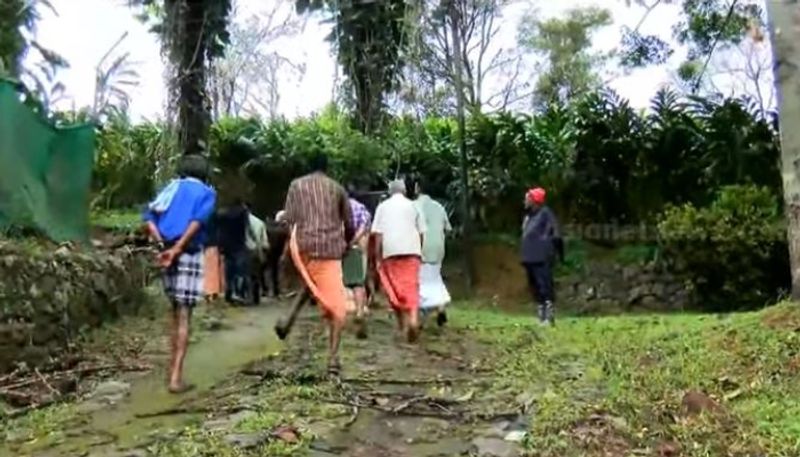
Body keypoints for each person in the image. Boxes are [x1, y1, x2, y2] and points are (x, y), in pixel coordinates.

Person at [142, 154, 216, 393]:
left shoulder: (171, 188)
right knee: (185, 316)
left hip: (166, 252)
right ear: (204, 172)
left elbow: (148, 217)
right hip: (187, 254)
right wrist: (177, 249)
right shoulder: (206, 193)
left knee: (174, 313)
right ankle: (175, 378)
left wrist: (162, 243)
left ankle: (172, 371)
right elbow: (196, 223)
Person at [281, 153, 354, 375]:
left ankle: (288, 320)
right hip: (329, 249)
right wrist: (347, 243)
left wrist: (293, 246)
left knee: (311, 283)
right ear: (326, 167)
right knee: (337, 307)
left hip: (303, 249)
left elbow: (289, 218)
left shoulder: (295, 185)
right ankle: (333, 358)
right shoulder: (337, 188)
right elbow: (349, 222)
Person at [372, 179, 427, 343]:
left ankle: (401, 325)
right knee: (411, 287)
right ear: (404, 191)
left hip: (391, 251)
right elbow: (422, 232)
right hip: (412, 251)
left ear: (390, 192)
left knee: (393, 288)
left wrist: (376, 255)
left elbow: (377, 234)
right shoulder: (414, 206)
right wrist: (419, 249)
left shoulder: (382, 207)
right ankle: (413, 319)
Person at [520, 187, 564, 326]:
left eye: (528, 198)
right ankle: (541, 315)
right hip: (529, 257)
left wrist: (554, 250)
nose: (525, 201)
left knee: (544, 285)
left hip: (542, 256)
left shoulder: (545, 213)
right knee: (534, 286)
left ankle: (549, 317)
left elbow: (556, 233)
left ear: (535, 200)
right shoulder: (529, 217)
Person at [414, 180, 452, 327]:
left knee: (422, 281)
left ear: (418, 189)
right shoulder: (439, 206)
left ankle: (422, 313)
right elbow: (447, 228)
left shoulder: (414, 206)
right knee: (435, 277)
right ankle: (440, 306)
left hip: (421, 247)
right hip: (438, 247)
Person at [342, 186, 372, 338]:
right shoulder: (362, 209)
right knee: (357, 283)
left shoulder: (338, 207)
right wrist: (354, 241)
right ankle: (360, 311)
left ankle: (342, 315)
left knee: (341, 283)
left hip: (339, 249)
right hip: (355, 248)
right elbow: (364, 228)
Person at [217, 199, 249, 304]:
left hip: (226, 246)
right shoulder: (243, 214)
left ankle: (229, 293)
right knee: (240, 271)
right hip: (239, 245)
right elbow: (246, 229)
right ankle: (239, 293)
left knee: (229, 271)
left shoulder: (222, 214)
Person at [244, 203, 270, 304]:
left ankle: (246, 296)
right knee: (255, 275)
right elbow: (265, 242)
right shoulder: (259, 222)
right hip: (256, 251)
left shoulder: (239, 222)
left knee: (244, 275)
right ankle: (255, 297)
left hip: (244, 251)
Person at [203, 211, 224, 302]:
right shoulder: (214, 215)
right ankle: (213, 291)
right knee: (215, 269)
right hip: (214, 244)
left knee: (209, 269)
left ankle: (209, 291)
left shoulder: (203, 215)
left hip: (207, 244)